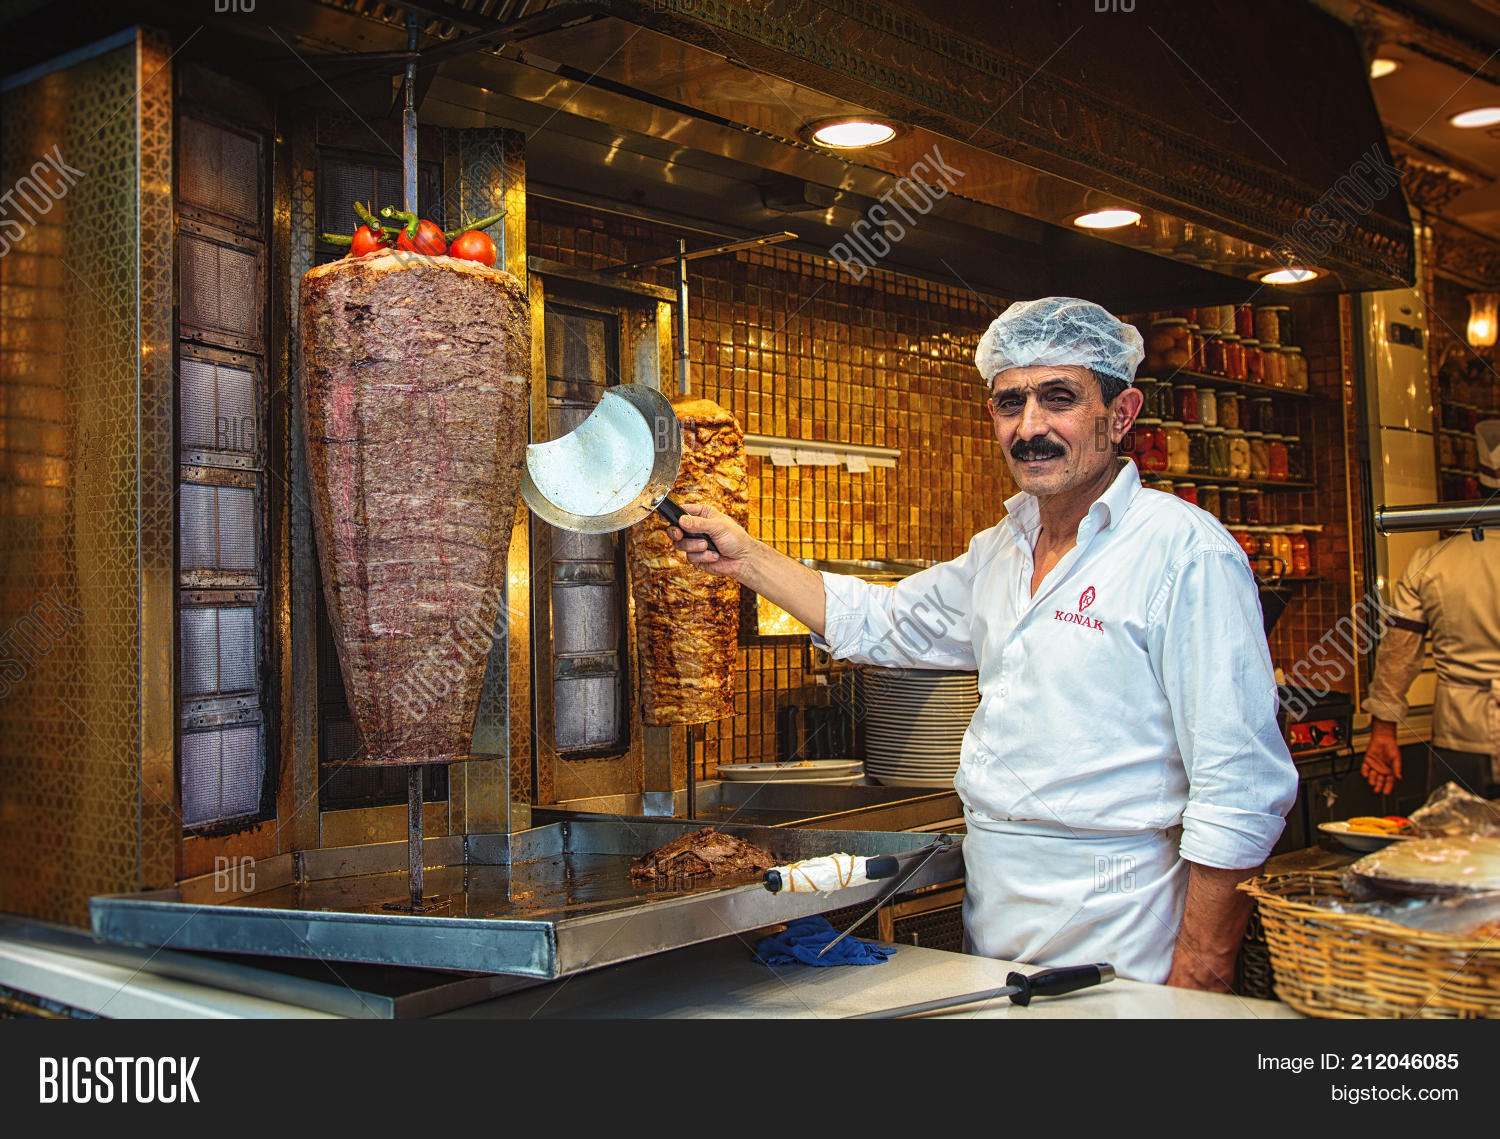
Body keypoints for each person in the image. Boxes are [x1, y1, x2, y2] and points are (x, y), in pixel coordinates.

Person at [667, 297, 1298, 990]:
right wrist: (743, 557)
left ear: (1120, 415)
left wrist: (1202, 971)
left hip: (1127, 929)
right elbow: (882, 620)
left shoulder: (1183, 552)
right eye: (1010, 403)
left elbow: (1240, 787)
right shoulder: (999, 551)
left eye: (1059, 398)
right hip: (994, 920)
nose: (1031, 427)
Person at [1361, 421, 1500, 800]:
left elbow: (1398, 654)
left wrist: (1383, 730)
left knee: (1456, 852)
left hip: (1463, 737)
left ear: (1474, 489)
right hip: (1461, 736)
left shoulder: (1432, 562)